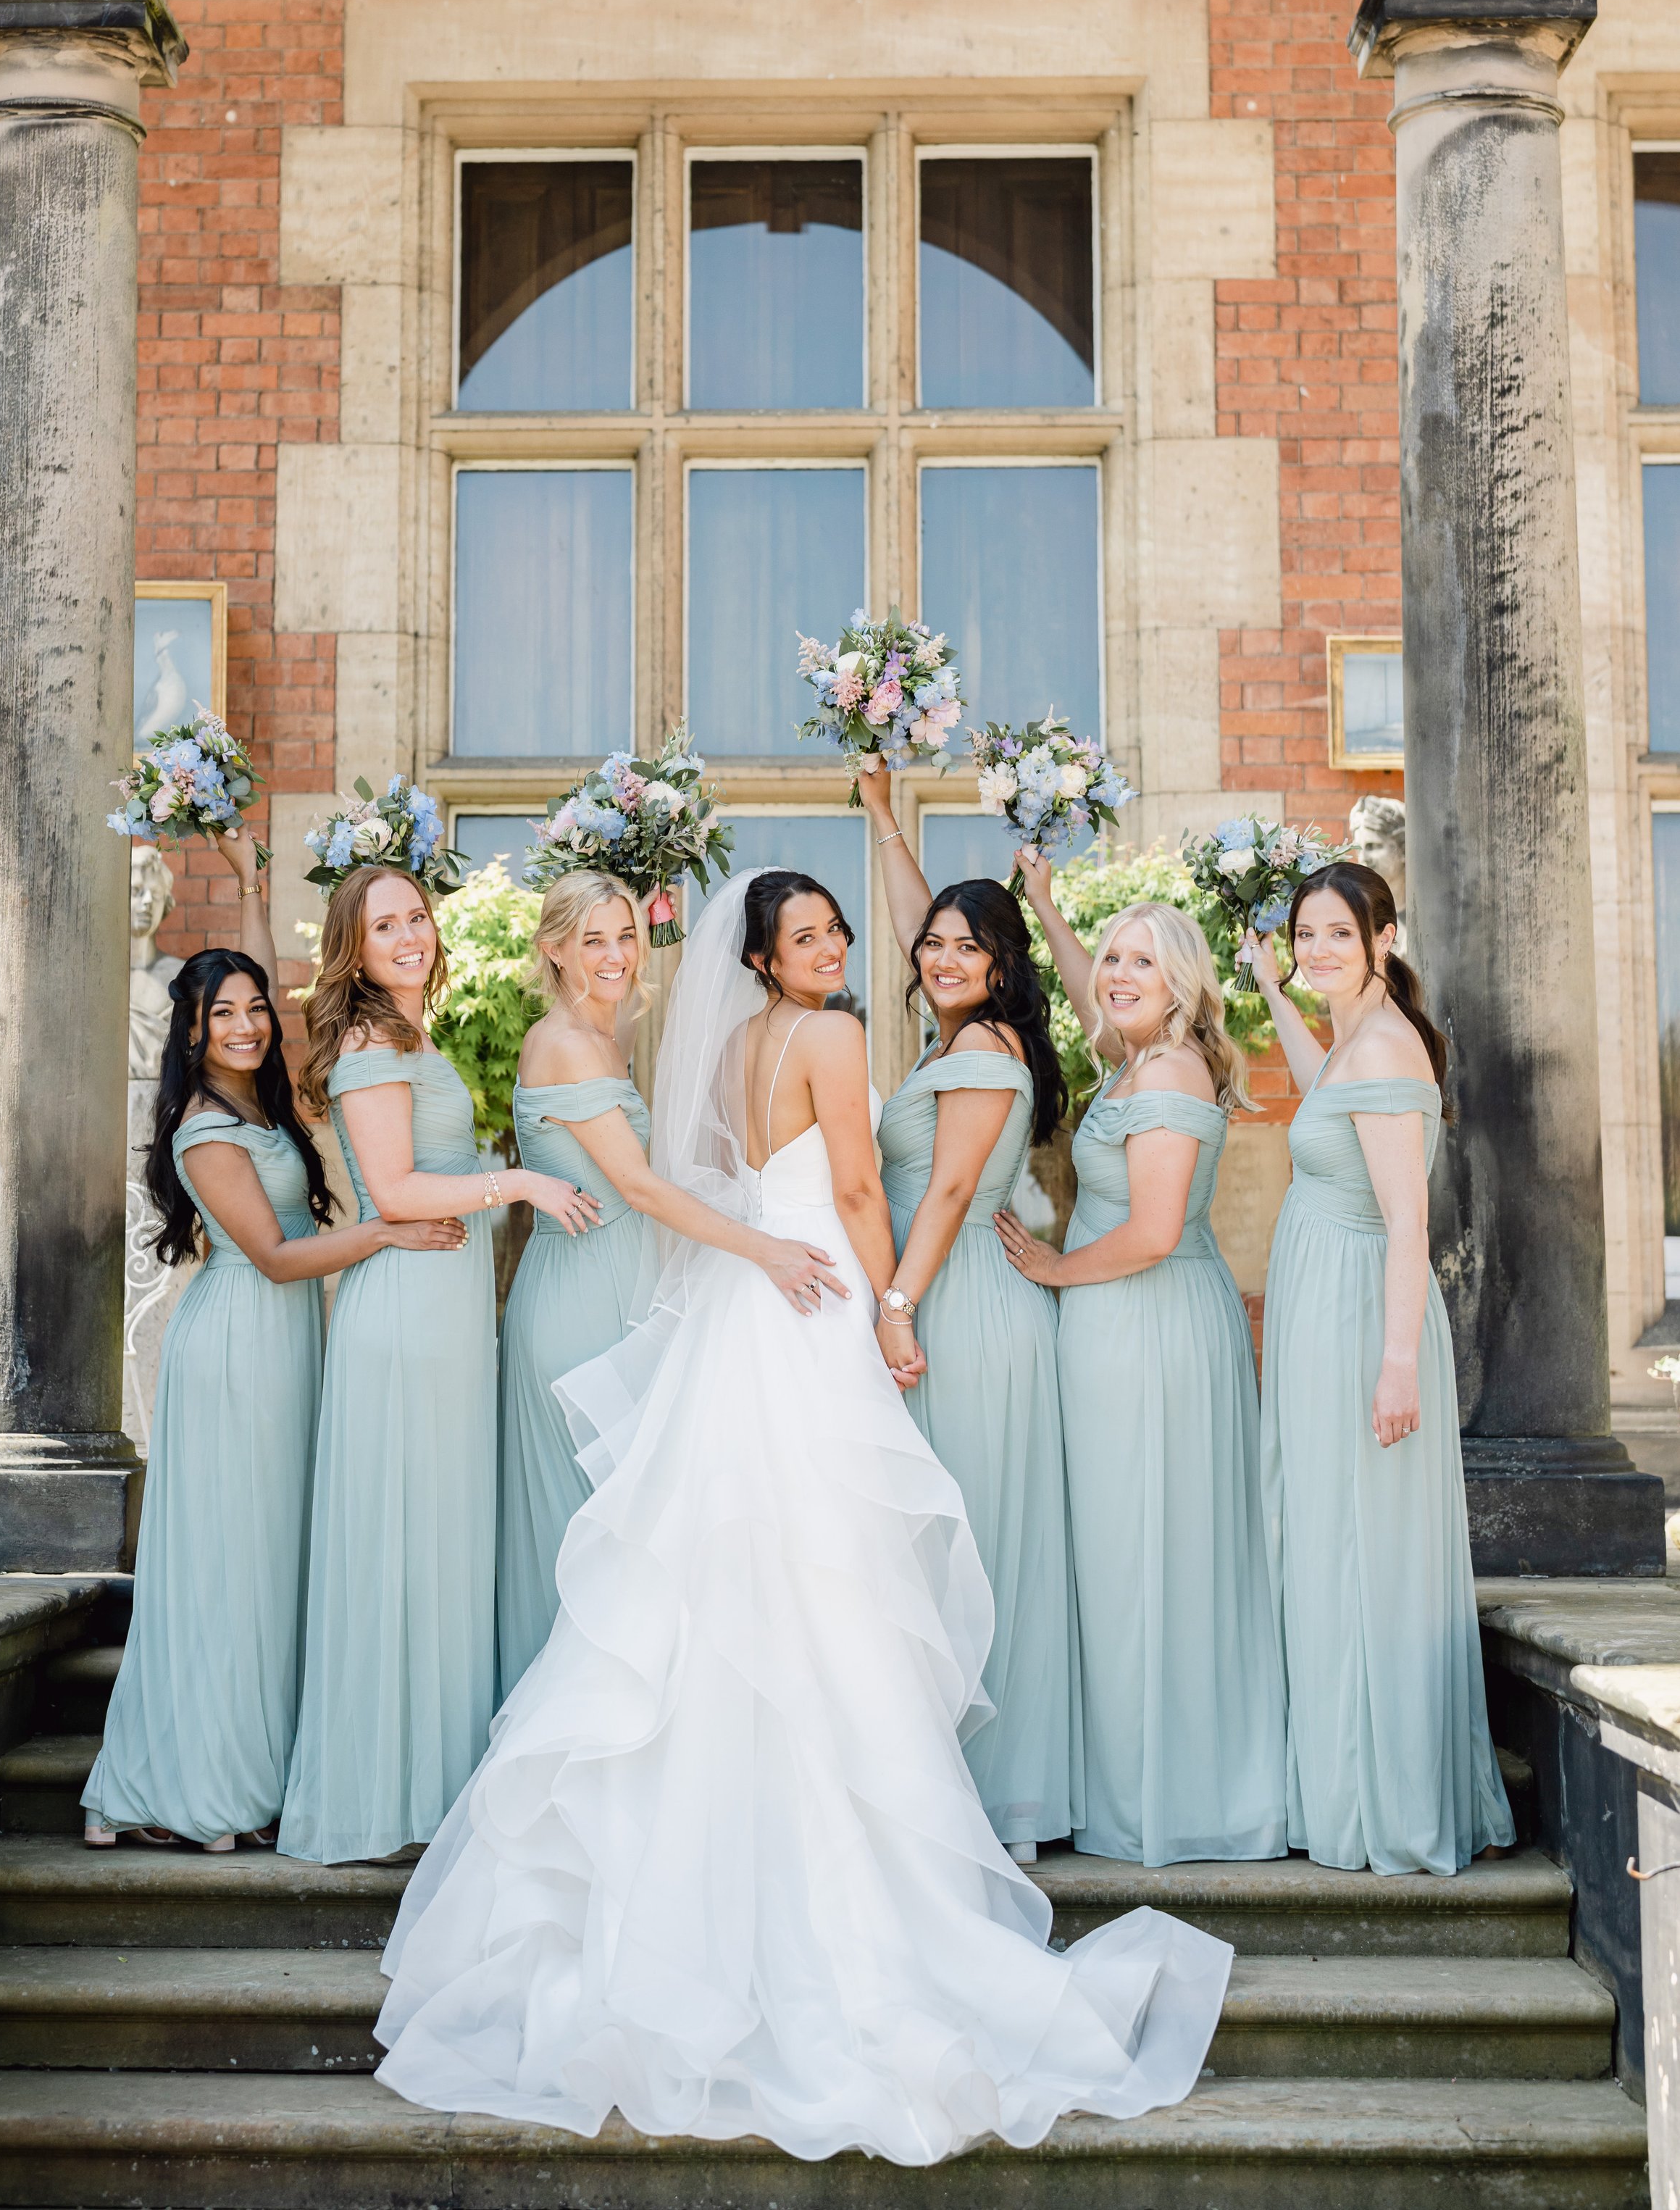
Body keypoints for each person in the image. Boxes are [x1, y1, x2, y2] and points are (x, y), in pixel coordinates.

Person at [371, 872, 1231, 2163]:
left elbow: (731, 1182)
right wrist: (891, 1309)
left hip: (739, 1309)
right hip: (817, 1300)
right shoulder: (833, 1037)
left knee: (712, 1586)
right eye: (808, 938)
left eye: (838, 931)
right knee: (828, 1585)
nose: (832, 951)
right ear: (766, 960)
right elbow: (860, 1190)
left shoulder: (727, 1048)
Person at [84, 827, 467, 1851]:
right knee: (227, 1566)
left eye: (256, 1006)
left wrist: (255, 892)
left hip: (293, 1347)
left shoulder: (267, 1101)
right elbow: (277, 1256)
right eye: (225, 1013)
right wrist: (386, 1226)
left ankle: (250, 1769)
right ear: (193, 1032)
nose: (249, 1024)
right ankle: (189, 1787)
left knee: (271, 1563)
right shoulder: (204, 1131)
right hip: (239, 1349)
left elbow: (297, 999)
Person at [277, 862, 602, 1867]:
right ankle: (384, 1795)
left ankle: (434, 1790)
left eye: (418, 916)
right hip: (409, 1320)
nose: (410, 935)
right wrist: (520, 1179)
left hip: (451, 1316)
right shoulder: (371, 1043)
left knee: (441, 1545)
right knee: (401, 1543)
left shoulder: (414, 1035)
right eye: (386, 925)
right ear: (356, 947)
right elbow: (393, 1184)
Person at [498, 869, 848, 1695]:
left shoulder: (607, 1039)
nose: (617, 955)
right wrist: (765, 1249)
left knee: (626, 1526)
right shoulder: (564, 1043)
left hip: (623, 1284)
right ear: (553, 950)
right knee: (580, 1520)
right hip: (577, 1297)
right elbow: (644, 1189)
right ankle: (554, 1739)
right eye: (593, 940)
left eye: (626, 934)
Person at [995, 874, 1287, 1866]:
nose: (1117, 975)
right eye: (1114, 957)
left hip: (1152, 1328)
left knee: (1155, 1547)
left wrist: (1054, 1268)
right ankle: (1127, 1779)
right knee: (1117, 1552)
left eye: (1142, 961)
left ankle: (1184, 1793)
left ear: (1185, 987)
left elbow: (1157, 1231)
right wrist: (1043, 902)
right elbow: (1086, 990)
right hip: (1112, 1327)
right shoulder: (1133, 1060)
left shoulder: (1170, 1078)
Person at [1241, 859, 1516, 1876]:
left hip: (1367, 1321)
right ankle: (1337, 1782)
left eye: (1334, 936)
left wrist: (1398, 1364)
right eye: (1305, 933)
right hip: (1328, 1317)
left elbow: (1411, 1221)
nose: (1316, 949)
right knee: (1327, 1543)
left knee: (1369, 1554)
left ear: (1382, 937)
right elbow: (1322, 1089)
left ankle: (1385, 1802)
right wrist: (1269, 982)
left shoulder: (1392, 1044)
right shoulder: (1358, 1038)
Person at [860, 769, 1078, 1864]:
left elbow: (946, 1191)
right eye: (934, 945)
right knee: (937, 1546)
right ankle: (938, 1777)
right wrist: (884, 814)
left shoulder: (986, 1049)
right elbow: (916, 919)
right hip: (941, 1299)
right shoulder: (958, 1036)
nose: (941, 957)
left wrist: (897, 1303)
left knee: (972, 1545)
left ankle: (991, 1794)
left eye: (966, 949)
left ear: (1002, 969)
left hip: (964, 1312)